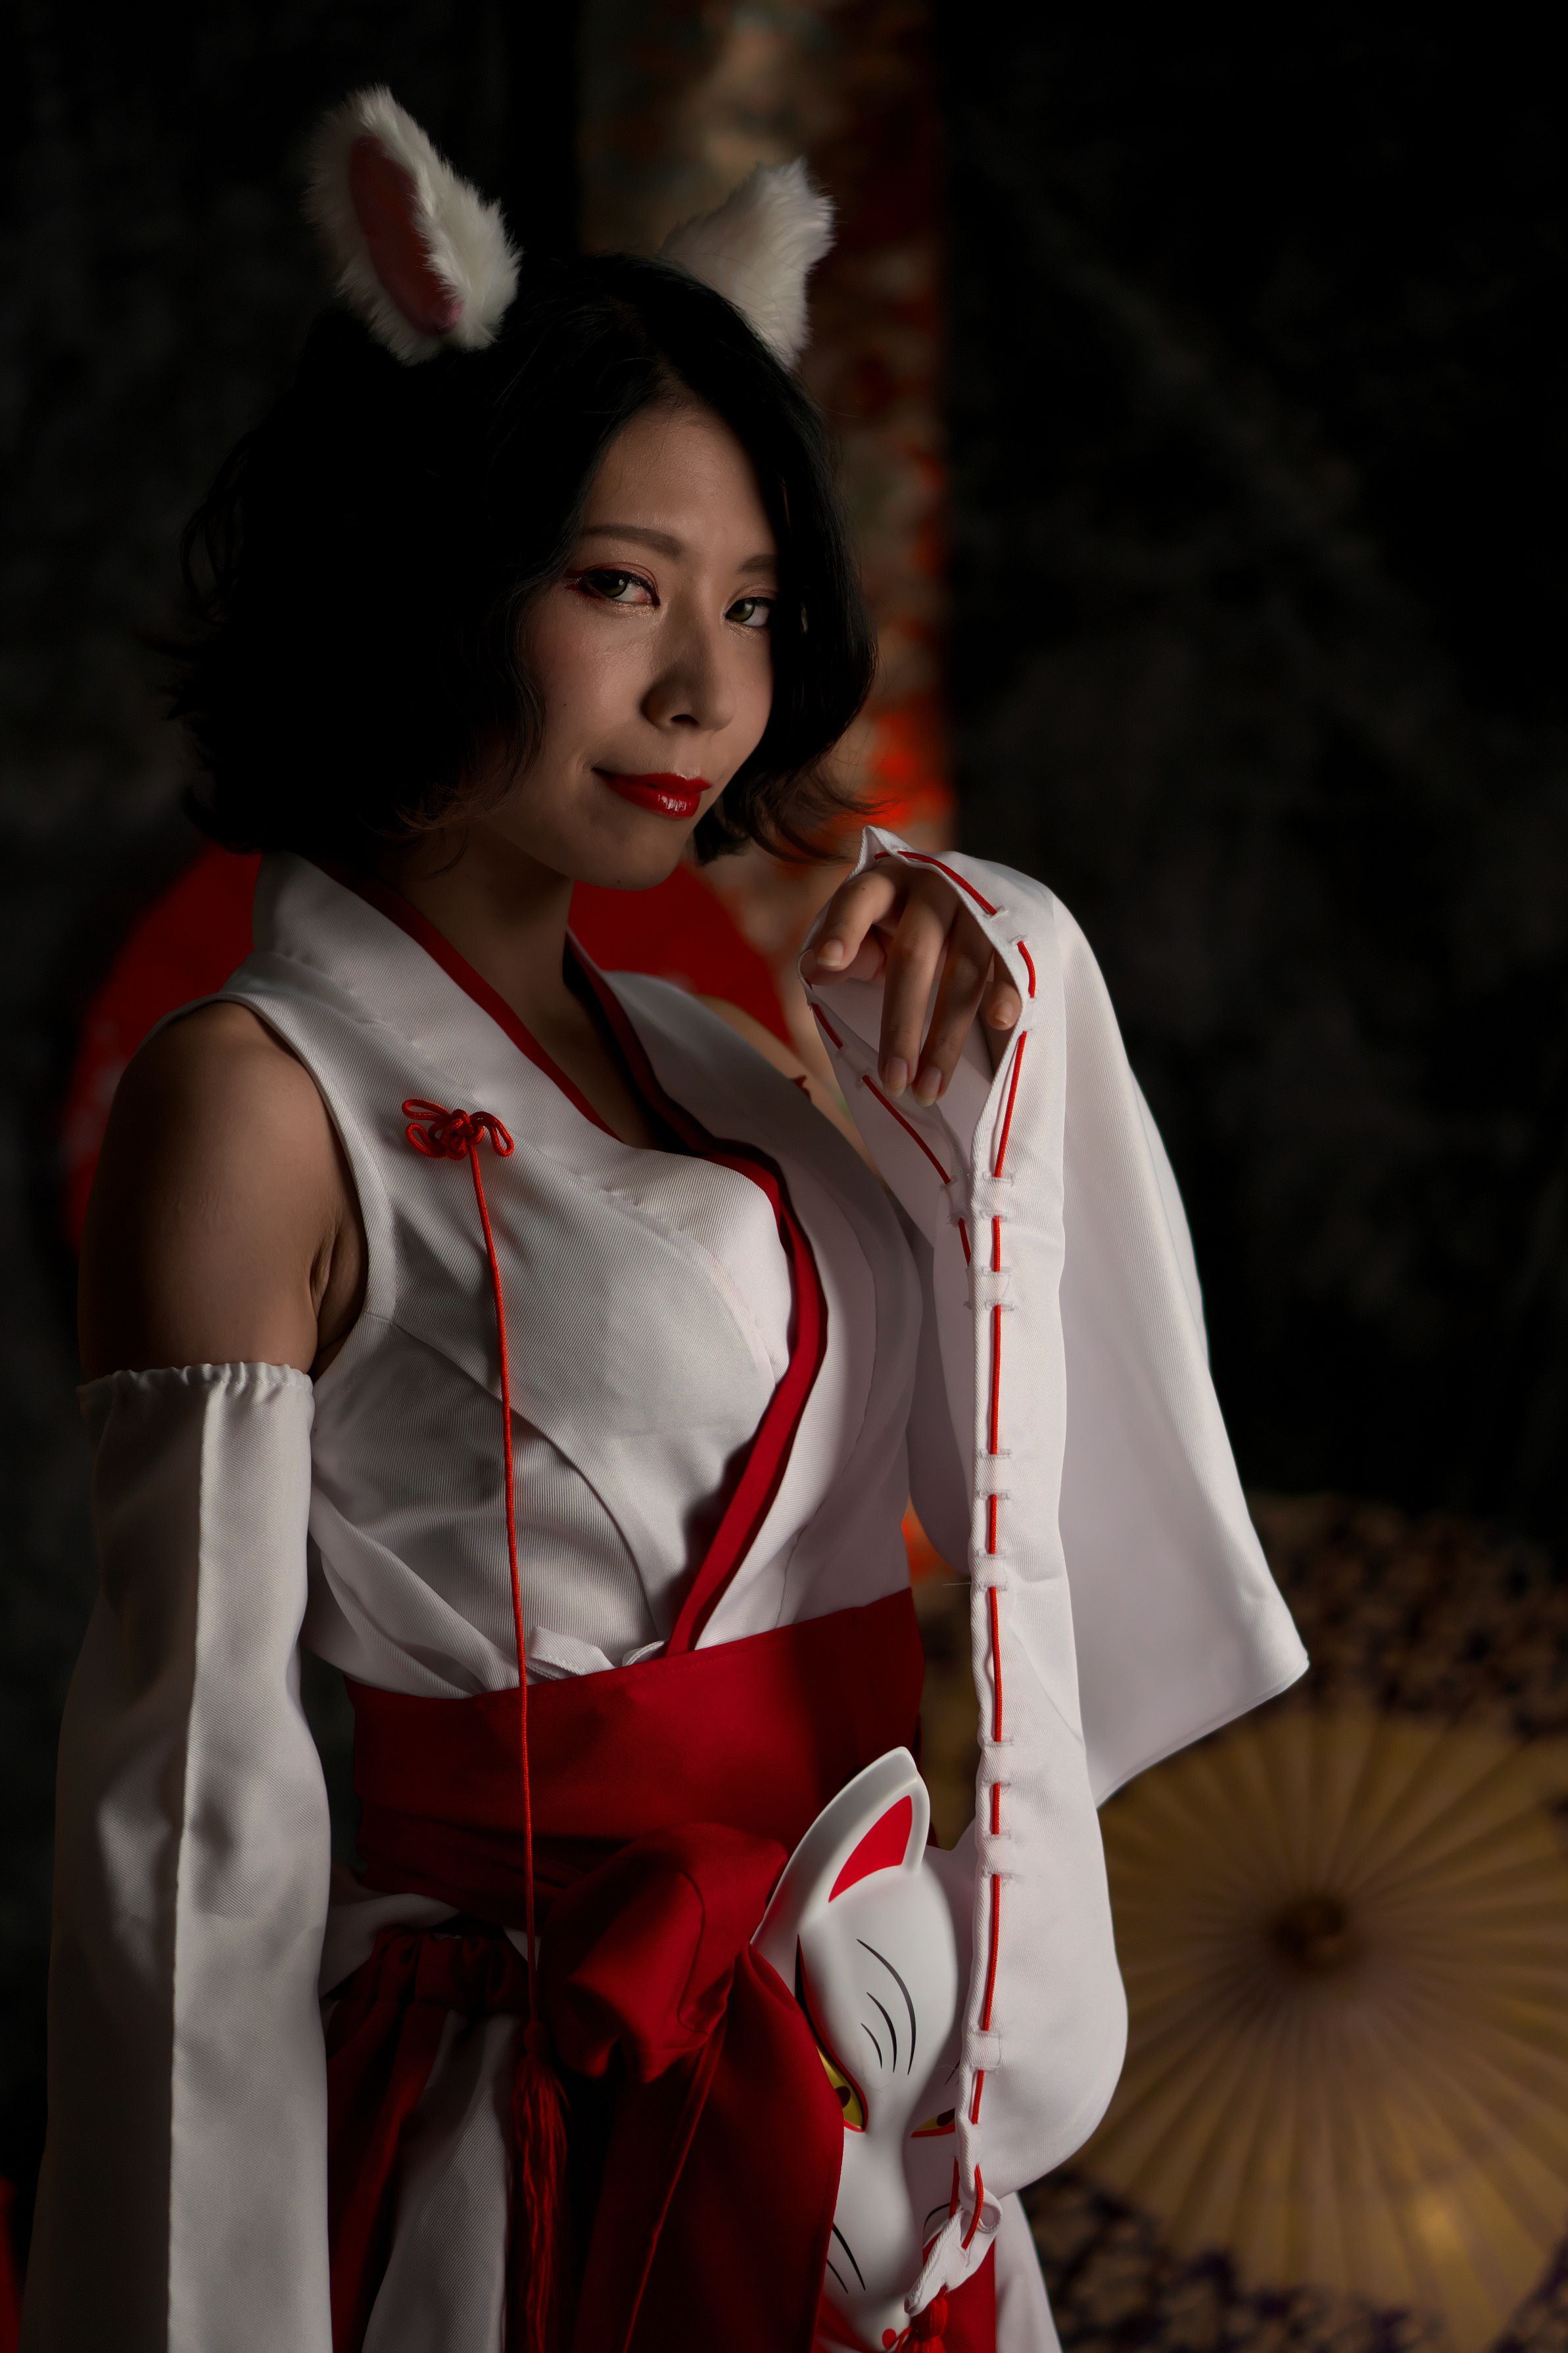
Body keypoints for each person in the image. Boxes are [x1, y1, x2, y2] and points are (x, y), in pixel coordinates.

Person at [22, 88, 1306, 2353]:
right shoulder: (255, 1098)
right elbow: (195, 1829)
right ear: (428, 569)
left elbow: (992, 1421)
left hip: (858, 2082)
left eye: (752, 605)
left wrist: (995, 973)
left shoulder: (722, 1056)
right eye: (618, 587)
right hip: (534, 2115)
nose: (706, 689)